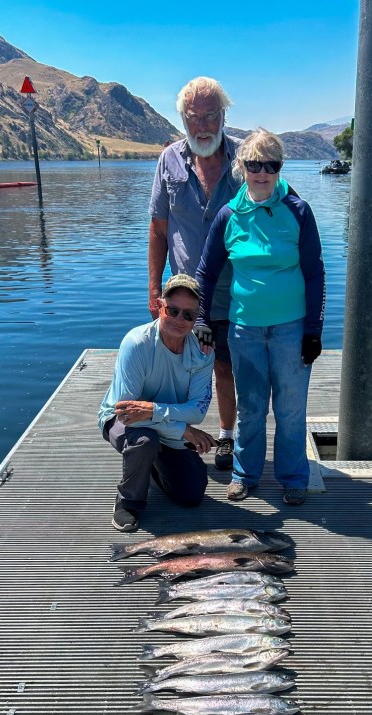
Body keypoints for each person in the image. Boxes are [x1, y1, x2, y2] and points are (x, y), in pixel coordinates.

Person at [196, 129, 326, 506]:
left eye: (272, 165)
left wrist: (313, 331)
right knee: (251, 407)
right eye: (255, 164)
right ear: (241, 167)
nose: (263, 172)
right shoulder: (229, 215)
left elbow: (316, 272)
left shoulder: (299, 211)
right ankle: (244, 474)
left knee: (290, 408)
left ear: (280, 168)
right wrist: (203, 318)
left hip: (292, 327)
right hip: (244, 329)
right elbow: (206, 272)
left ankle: (293, 477)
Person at [148, 76, 241, 471]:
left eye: (210, 115)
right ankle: (177, 434)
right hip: (183, 297)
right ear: (183, 119)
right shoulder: (168, 160)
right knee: (178, 362)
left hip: (235, 293)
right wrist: (154, 288)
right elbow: (158, 229)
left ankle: (226, 436)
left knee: (225, 366)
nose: (203, 125)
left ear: (223, 115)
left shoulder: (243, 161)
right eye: (194, 117)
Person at [98, 274, 216, 533]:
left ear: (196, 318)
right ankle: (128, 502)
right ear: (160, 305)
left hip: (164, 422)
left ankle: (151, 468)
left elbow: (196, 411)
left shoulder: (203, 352)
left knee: (192, 493)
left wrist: (153, 410)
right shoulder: (136, 343)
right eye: (172, 310)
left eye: (188, 315)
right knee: (144, 441)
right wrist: (182, 430)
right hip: (118, 420)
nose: (179, 319)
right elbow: (127, 413)